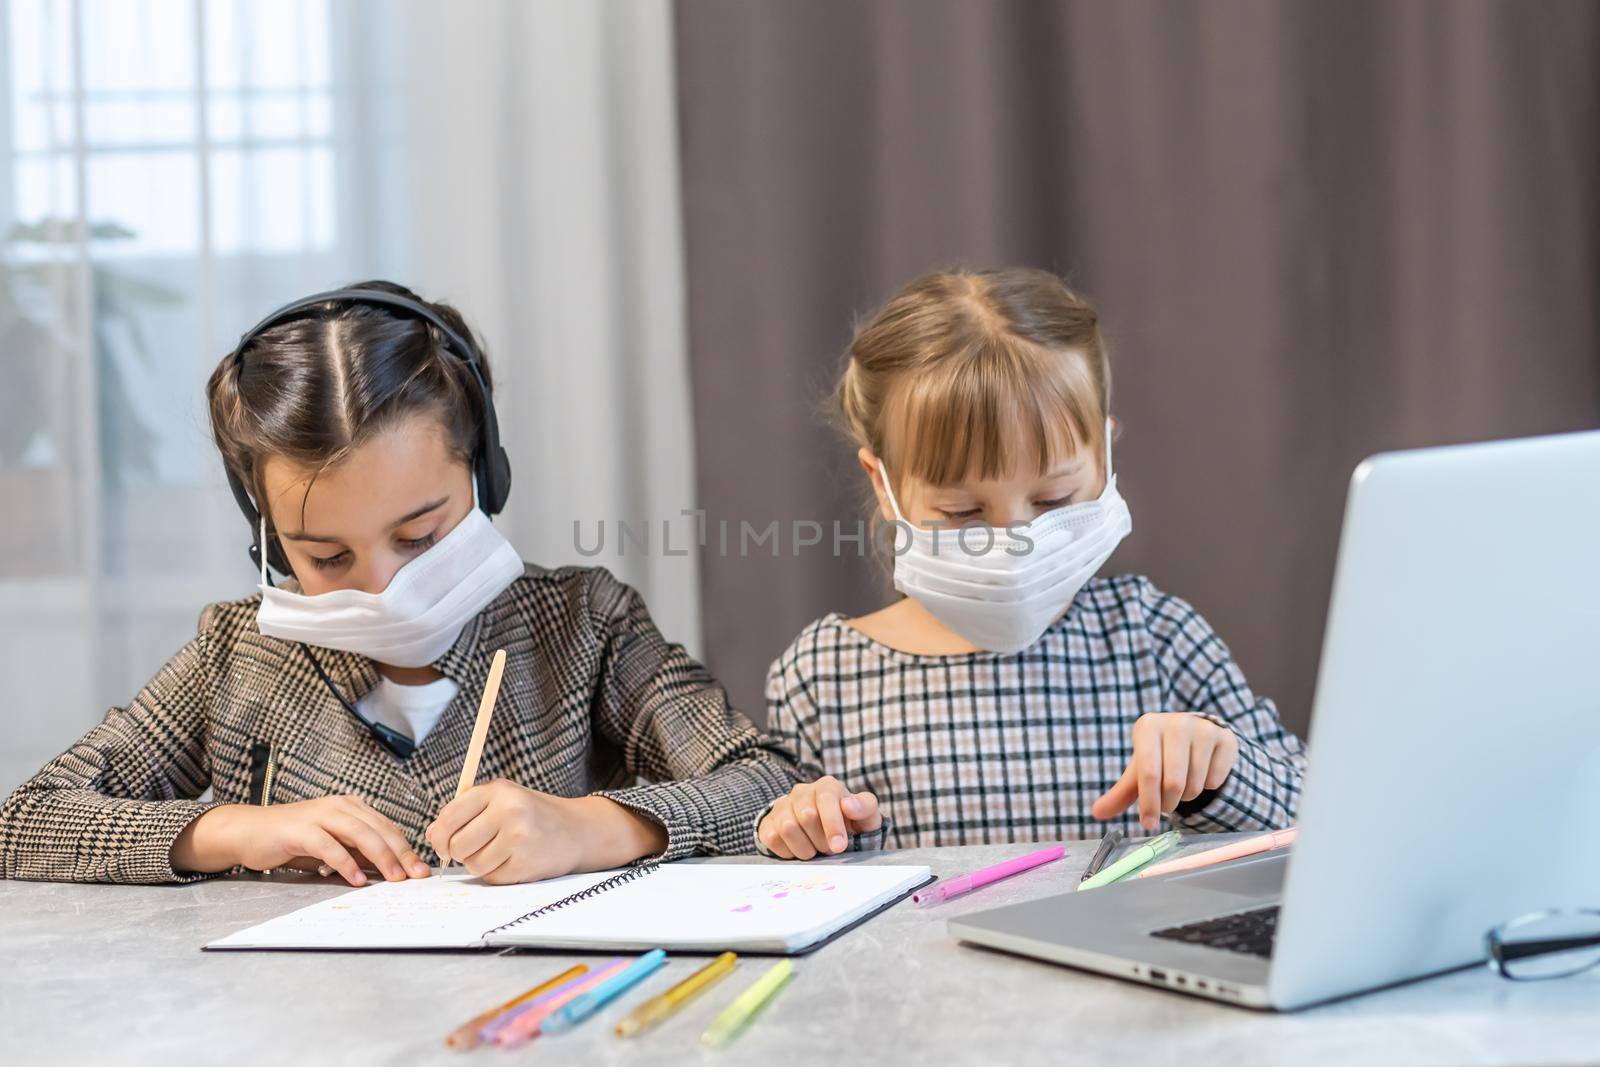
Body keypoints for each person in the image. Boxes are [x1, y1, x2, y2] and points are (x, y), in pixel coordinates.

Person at [0, 281, 800, 886]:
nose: (382, 585)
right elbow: (22, 823)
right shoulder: (238, 656)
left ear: (486, 476)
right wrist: (234, 831)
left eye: (418, 536)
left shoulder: (584, 625)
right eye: (327, 556)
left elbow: (768, 780)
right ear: (267, 538)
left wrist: (593, 827)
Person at [757, 267, 1306, 859]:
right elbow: (793, 879)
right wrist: (798, 829)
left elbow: (1318, 815)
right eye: (963, 510)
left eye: (1053, 500)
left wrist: (1223, 771)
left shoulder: (1156, 636)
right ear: (884, 485)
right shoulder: (822, 677)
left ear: (1103, 453)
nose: (1014, 541)